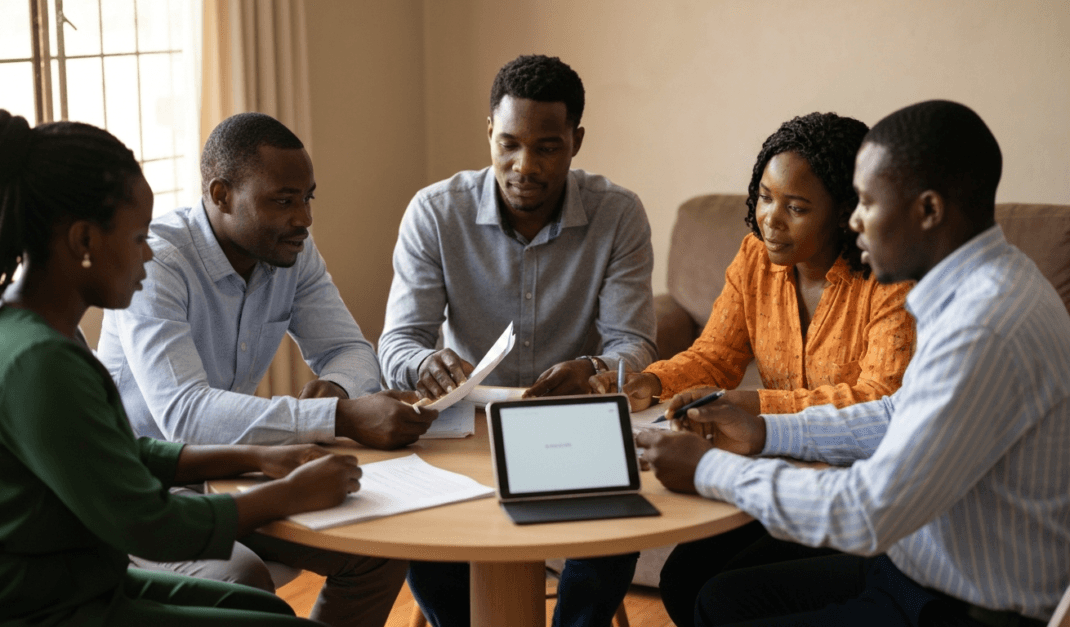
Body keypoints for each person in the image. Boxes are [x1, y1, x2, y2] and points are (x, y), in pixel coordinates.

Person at [638, 100, 1070, 626]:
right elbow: (893, 415)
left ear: (928, 210)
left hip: (964, 607)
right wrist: (761, 432)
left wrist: (709, 469)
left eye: (865, 202)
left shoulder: (981, 328)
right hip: (919, 566)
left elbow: (866, 513)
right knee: (716, 598)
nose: (855, 220)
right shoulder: (979, 285)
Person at [0, 109, 358, 625]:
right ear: (84, 241)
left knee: (256, 605)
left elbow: (120, 452)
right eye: (137, 238)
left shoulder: (24, 327)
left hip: (72, 580)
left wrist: (256, 456)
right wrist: (288, 493)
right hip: (30, 607)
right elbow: (145, 522)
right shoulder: (36, 360)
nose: (149, 256)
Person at [95, 112, 425, 625]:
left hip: (240, 474)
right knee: (241, 578)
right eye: (284, 200)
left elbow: (353, 349)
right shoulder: (157, 262)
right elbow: (183, 414)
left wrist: (338, 388)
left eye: (308, 198)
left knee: (380, 551)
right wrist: (339, 417)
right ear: (222, 194)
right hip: (145, 492)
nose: (305, 219)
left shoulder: (290, 250)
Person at [589, 111, 918, 624]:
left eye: (797, 207)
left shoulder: (888, 277)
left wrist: (757, 408)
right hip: (769, 467)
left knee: (718, 594)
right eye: (765, 197)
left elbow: (878, 399)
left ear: (843, 212)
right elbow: (717, 355)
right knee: (683, 580)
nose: (772, 219)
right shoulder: (755, 258)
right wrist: (652, 381)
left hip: (847, 493)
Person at [379, 55, 657, 627]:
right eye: (507, 144)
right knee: (416, 531)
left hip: (572, 424)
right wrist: (425, 364)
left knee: (619, 527)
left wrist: (595, 368)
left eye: (547, 147)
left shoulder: (618, 214)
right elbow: (398, 343)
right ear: (488, 133)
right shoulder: (435, 212)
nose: (523, 166)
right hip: (468, 428)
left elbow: (635, 345)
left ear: (576, 141)